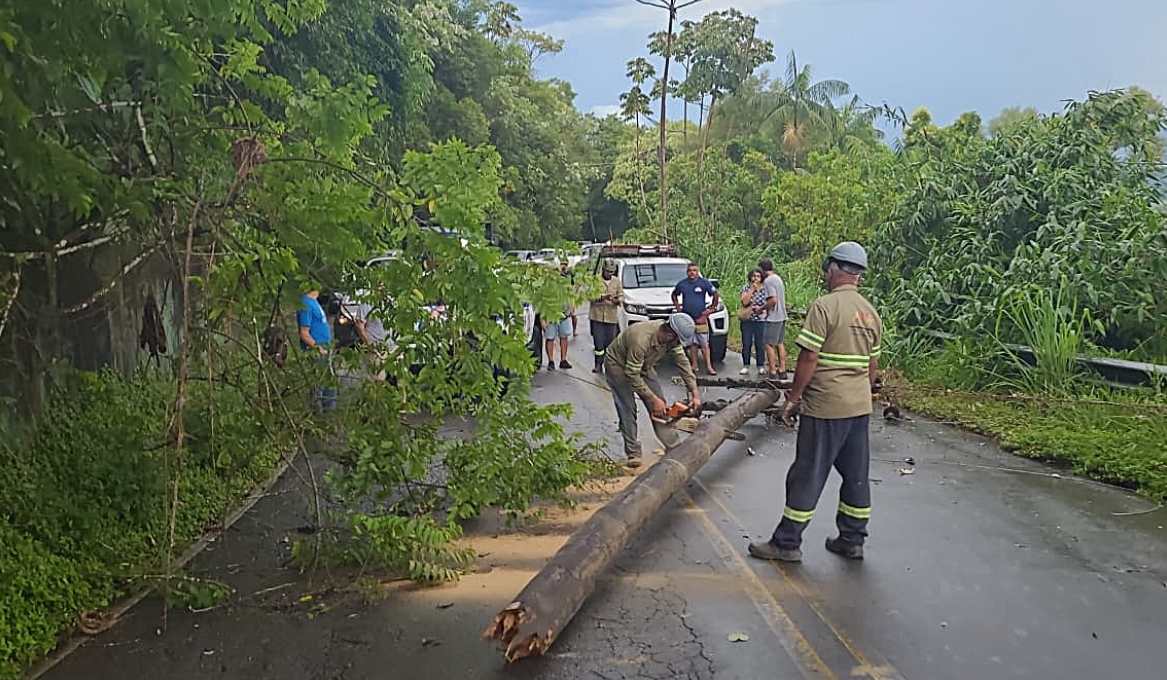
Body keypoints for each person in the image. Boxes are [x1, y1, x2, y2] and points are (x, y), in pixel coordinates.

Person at [748, 242, 883, 563]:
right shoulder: (870, 313)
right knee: (856, 476)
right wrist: (861, 392)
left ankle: (787, 543)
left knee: (807, 473)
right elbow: (872, 366)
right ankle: (852, 539)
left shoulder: (824, 307)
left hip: (826, 407)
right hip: (858, 407)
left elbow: (809, 356)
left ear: (834, 269)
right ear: (859, 275)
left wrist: (792, 398)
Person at [604, 314, 703, 469]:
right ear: (670, 335)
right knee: (628, 408)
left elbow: (682, 362)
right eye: (677, 340)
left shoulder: (671, 339)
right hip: (618, 365)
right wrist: (652, 399)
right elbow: (631, 374)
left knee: (661, 409)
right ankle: (633, 453)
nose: (678, 344)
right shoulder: (641, 340)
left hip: (644, 365)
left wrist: (694, 392)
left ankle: (673, 446)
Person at [671, 262, 720, 375]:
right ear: (687, 272)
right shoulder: (682, 284)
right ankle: (694, 365)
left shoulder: (704, 283)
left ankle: (709, 366)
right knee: (692, 343)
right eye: (689, 270)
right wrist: (678, 308)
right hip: (688, 319)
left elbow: (715, 295)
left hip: (701, 318)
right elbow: (674, 295)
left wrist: (710, 310)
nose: (692, 273)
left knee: (704, 344)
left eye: (694, 270)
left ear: (697, 271)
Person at [297, 288, 337, 411]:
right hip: (317, 350)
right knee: (319, 383)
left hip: (325, 347)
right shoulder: (305, 303)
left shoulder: (314, 302)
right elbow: (304, 333)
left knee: (329, 383)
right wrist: (317, 347)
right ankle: (318, 414)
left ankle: (329, 414)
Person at [589, 259, 624, 373]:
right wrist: (603, 297)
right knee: (598, 343)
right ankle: (598, 364)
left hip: (611, 317)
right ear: (603, 270)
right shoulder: (595, 280)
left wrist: (617, 300)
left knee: (609, 343)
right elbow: (590, 296)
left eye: (611, 272)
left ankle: (609, 365)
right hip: (597, 316)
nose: (609, 274)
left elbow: (622, 295)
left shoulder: (616, 281)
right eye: (607, 271)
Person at [758, 259, 788, 380]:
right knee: (779, 343)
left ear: (762, 269)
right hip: (782, 315)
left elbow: (773, 300)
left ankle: (772, 370)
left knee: (768, 344)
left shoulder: (769, 281)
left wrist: (761, 309)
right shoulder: (778, 278)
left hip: (773, 317)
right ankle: (782, 369)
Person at [738, 268, 767, 376]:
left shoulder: (765, 289)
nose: (756, 278)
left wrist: (760, 309)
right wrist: (751, 290)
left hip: (760, 320)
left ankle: (760, 366)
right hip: (747, 320)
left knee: (760, 343)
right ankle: (746, 365)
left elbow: (767, 304)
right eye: (754, 276)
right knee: (746, 342)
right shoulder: (745, 288)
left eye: (758, 276)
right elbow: (744, 301)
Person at [542, 301, 574, 371]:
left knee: (564, 337)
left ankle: (563, 360)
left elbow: (572, 294)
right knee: (550, 338)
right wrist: (542, 319)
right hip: (550, 316)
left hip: (564, 315)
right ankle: (551, 361)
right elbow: (541, 301)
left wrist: (572, 305)